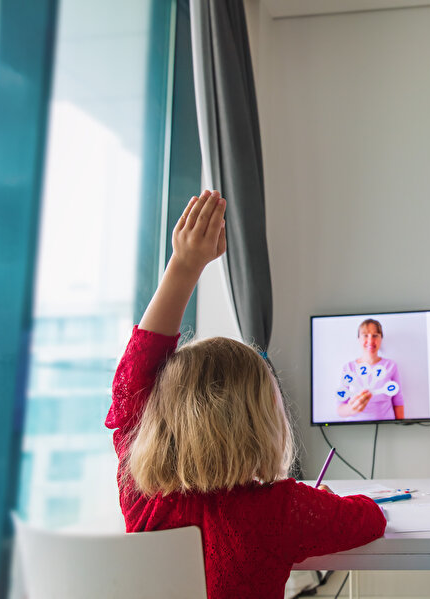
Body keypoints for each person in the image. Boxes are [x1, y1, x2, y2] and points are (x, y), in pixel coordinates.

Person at [105, 190, 385, 599]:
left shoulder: (143, 498)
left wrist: (184, 266)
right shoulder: (281, 508)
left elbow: (132, 382)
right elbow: (370, 519)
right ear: (260, 417)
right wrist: (318, 502)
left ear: (161, 415)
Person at [336, 318, 405, 420]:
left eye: (375, 335)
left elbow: (398, 400)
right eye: (365, 335)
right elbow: (340, 409)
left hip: (387, 427)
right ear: (359, 338)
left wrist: (401, 426)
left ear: (381, 338)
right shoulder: (349, 367)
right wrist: (352, 409)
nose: (370, 340)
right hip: (356, 428)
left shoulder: (390, 365)